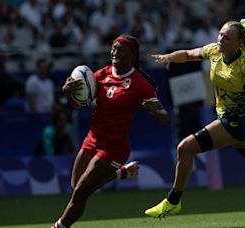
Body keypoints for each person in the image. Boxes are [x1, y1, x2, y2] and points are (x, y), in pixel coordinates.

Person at [145, 19, 245, 218]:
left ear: (239, 43)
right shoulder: (214, 51)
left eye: (227, 37)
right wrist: (169, 57)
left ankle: (172, 201)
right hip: (230, 120)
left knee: (185, 148)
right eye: (220, 34)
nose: (221, 39)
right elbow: (188, 55)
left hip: (237, 122)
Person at [52, 34, 170, 228]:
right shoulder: (101, 75)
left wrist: (156, 112)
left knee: (81, 191)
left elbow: (164, 116)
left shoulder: (140, 83)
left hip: (114, 146)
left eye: (120, 49)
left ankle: (58, 226)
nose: (115, 52)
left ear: (132, 55)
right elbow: (80, 104)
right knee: (76, 187)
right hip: (92, 139)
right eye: (113, 48)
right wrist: (67, 93)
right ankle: (121, 173)